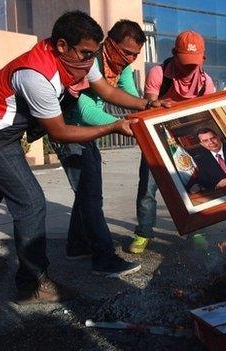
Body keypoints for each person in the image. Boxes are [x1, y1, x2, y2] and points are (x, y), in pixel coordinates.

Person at [0, 11, 167, 304]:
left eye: (93, 54)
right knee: (31, 203)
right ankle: (32, 284)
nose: (89, 63)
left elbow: (107, 90)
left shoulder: (81, 57)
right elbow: (59, 132)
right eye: (85, 54)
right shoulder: (37, 75)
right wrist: (112, 126)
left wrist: (147, 104)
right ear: (62, 46)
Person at [50, 20, 147, 276]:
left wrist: (148, 107)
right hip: (70, 132)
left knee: (87, 193)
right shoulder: (90, 62)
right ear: (110, 44)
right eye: (127, 52)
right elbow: (86, 110)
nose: (130, 59)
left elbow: (127, 94)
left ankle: (76, 245)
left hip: (87, 134)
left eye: (136, 55)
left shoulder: (120, 65)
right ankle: (104, 258)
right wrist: (119, 124)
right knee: (91, 197)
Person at [129, 30, 216, 254]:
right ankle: (144, 232)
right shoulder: (158, 73)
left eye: (193, 64)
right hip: (155, 139)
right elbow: (148, 108)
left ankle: (196, 229)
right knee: (148, 188)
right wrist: (159, 105)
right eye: (185, 62)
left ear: (203, 59)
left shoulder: (206, 82)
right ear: (174, 54)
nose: (188, 69)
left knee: (192, 186)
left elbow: (209, 113)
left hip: (187, 141)